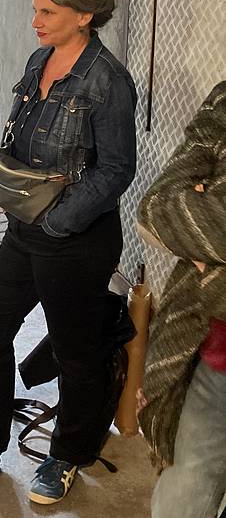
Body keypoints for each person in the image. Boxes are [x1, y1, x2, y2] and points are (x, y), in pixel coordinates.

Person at [0, 0, 138, 504]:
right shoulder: (40, 60)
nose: (35, 21)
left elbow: (116, 170)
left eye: (47, 12)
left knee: (76, 353)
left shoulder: (107, 81)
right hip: (27, 226)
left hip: (75, 237)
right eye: (35, 10)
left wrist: (58, 220)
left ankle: (67, 456)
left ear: (83, 15)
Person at [137, 80, 226, 518]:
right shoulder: (224, 102)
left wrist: (203, 226)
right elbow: (155, 208)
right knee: (181, 498)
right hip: (214, 359)